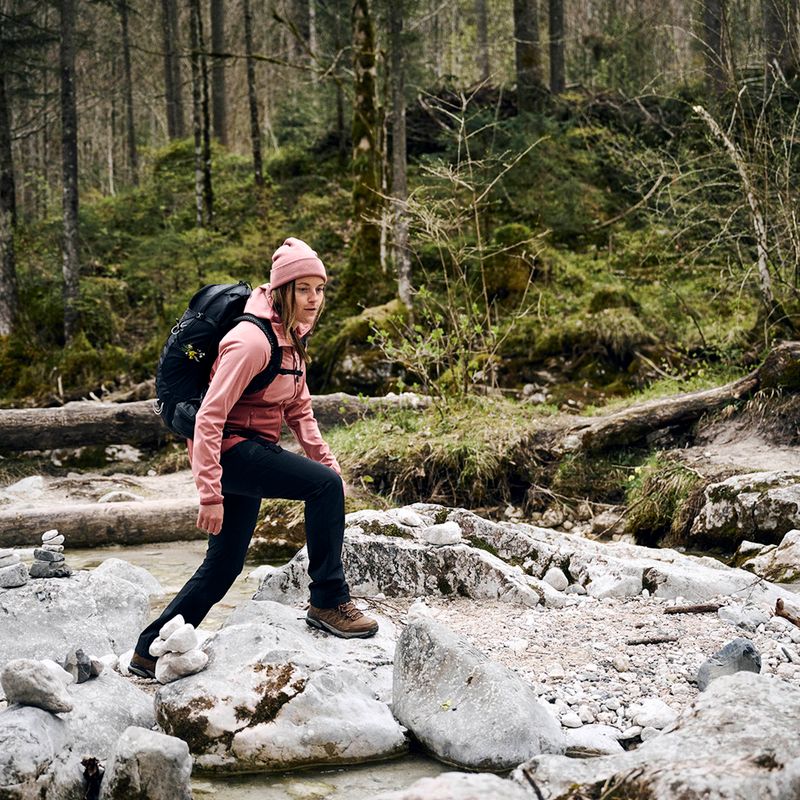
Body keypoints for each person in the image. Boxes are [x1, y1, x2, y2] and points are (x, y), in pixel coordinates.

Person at [129, 237, 378, 679]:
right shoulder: (250, 341)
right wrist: (209, 494)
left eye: (320, 289)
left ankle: (148, 650)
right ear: (283, 289)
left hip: (251, 448)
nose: (314, 299)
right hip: (229, 449)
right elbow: (208, 418)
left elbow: (298, 405)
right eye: (304, 289)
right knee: (323, 489)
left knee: (225, 565)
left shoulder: (292, 334)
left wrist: (324, 457)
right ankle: (328, 599)